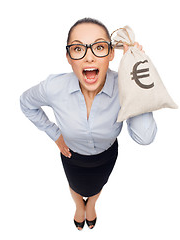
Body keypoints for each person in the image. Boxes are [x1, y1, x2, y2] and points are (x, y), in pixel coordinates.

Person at [20, 18, 157, 230]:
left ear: (111, 54)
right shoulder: (53, 87)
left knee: (97, 185)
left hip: (106, 156)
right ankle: (79, 206)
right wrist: (55, 135)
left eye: (99, 47)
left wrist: (134, 72)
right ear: (68, 57)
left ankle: (91, 204)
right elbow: (26, 103)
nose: (89, 57)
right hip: (70, 155)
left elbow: (145, 136)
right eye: (78, 49)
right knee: (75, 184)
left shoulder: (124, 84)